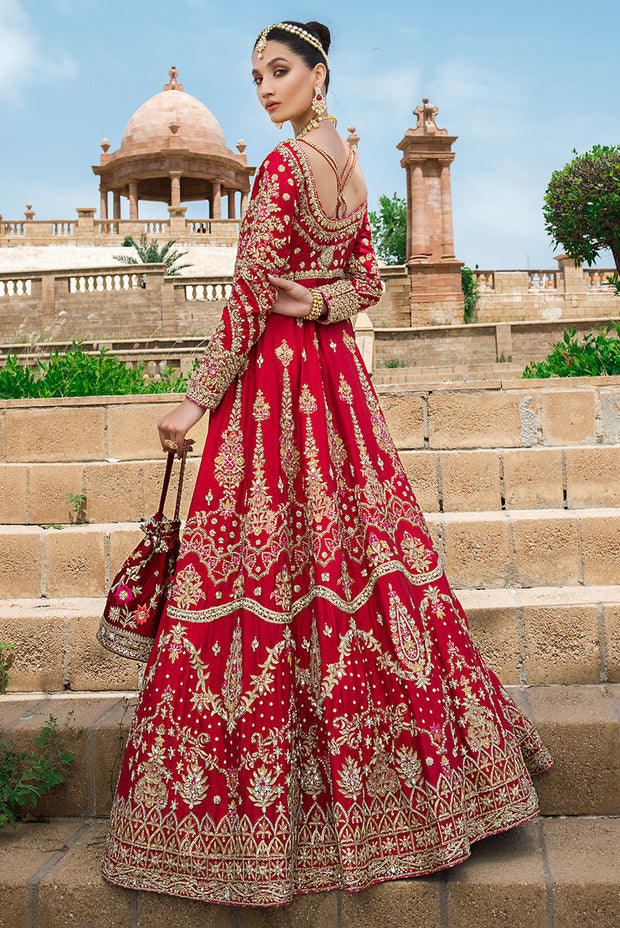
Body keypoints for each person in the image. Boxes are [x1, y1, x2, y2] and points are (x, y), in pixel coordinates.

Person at [100, 20, 553, 907]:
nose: (265, 88)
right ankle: (424, 793)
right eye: (257, 75)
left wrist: (196, 398)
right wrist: (322, 305)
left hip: (273, 388)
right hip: (338, 385)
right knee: (359, 563)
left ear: (319, 73)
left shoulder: (278, 169)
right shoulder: (347, 165)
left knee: (265, 572)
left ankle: (256, 824)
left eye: (279, 72)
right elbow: (368, 286)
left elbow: (243, 300)